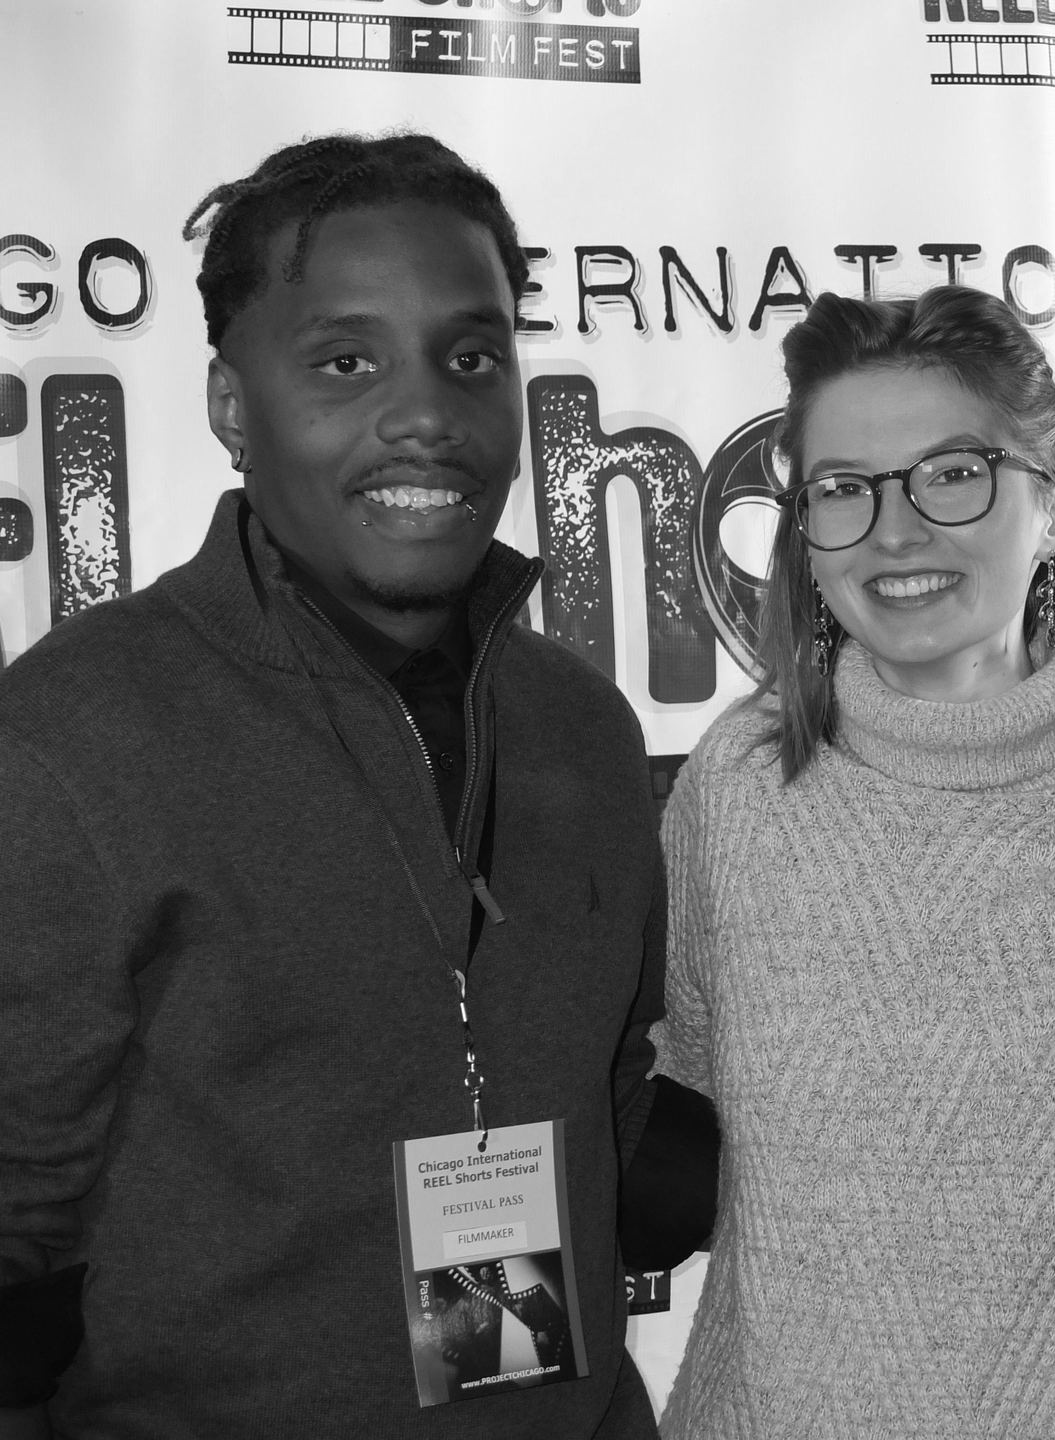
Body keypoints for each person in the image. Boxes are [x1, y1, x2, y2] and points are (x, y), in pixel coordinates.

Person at [0, 135, 666, 1438]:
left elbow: (615, 1093)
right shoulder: (72, 737)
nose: (425, 414)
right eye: (346, 361)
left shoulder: (584, 727)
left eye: (470, 358)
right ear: (230, 403)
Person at [649, 285, 1055, 1438]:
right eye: (844, 489)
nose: (895, 531)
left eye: (951, 473)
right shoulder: (736, 790)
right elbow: (683, 1101)